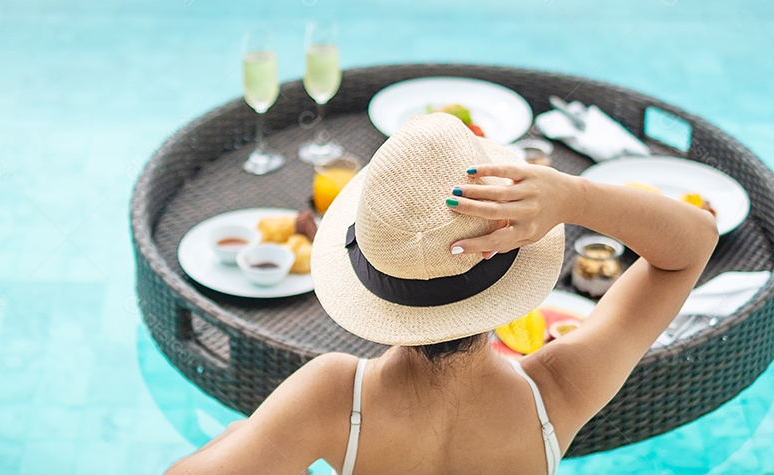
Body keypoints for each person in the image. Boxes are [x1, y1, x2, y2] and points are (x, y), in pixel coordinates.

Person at [166, 113, 718, 475]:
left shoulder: (334, 399)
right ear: (507, 274)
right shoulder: (556, 396)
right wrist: (573, 196)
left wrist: (249, 434)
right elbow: (693, 243)